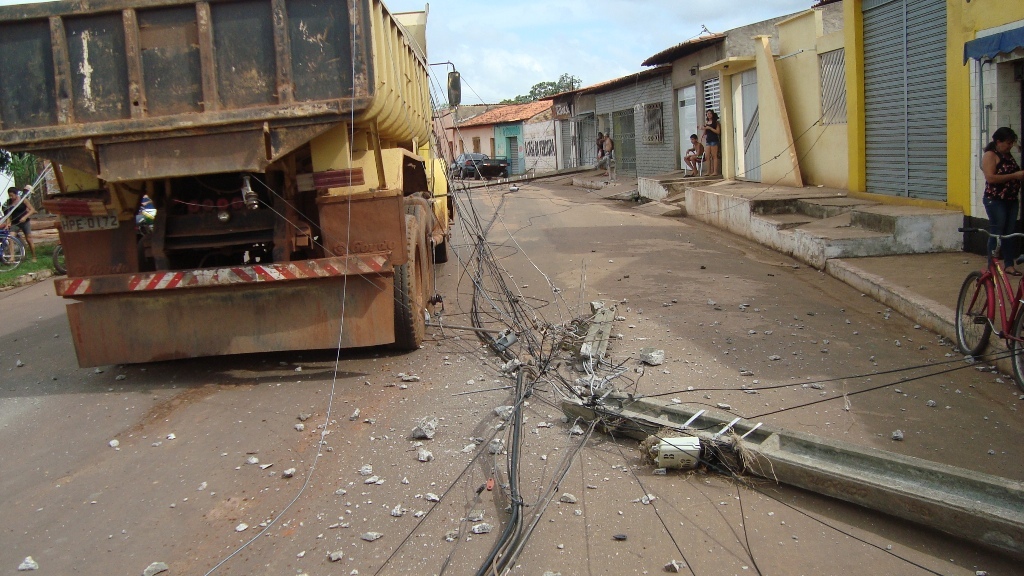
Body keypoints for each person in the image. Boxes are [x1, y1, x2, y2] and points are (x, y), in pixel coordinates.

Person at [982, 127, 1024, 274]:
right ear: (998, 142)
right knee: (997, 230)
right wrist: (1014, 176)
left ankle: (1008, 264)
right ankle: (991, 265)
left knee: (1009, 232)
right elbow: (991, 177)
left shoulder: (1008, 155)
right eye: (1007, 143)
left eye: (1011, 143)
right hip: (995, 200)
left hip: (1011, 199)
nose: (1010, 146)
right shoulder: (990, 155)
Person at [4, 186, 36, 261]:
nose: (11, 197)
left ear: (16, 194)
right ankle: (12, 257)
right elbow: (9, 214)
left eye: (12, 195)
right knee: (10, 238)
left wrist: (25, 217)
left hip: (25, 222)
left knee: (29, 239)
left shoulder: (23, 199)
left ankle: (34, 257)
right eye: (10, 196)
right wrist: (8, 223)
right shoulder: (9, 202)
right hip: (15, 223)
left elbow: (32, 210)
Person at [700, 110, 721, 176]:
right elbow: (705, 132)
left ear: (712, 114)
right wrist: (703, 132)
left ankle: (715, 171)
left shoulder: (716, 123)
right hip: (708, 141)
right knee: (707, 156)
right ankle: (708, 171)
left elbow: (718, 132)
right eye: (707, 114)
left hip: (714, 140)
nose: (708, 115)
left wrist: (710, 128)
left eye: (710, 113)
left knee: (714, 156)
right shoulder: (707, 123)